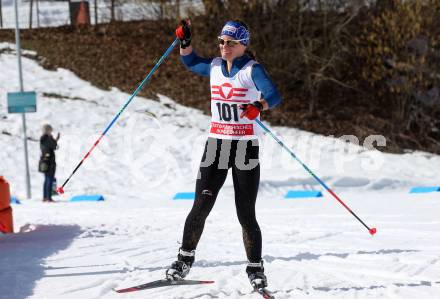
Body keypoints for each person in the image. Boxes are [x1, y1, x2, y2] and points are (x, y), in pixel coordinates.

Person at [165, 20, 282, 290]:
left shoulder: (253, 70)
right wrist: (185, 41)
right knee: (200, 206)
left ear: (243, 45)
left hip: (244, 147)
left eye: (231, 43)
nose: (224, 47)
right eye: (221, 42)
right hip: (216, 145)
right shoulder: (216, 66)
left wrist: (259, 104)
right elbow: (191, 62)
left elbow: (275, 95)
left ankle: (255, 269)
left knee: (246, 214)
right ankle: (184, 260)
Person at [39, 124, 60, 203]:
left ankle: (45, 197)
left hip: (44, 161)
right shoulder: (47, 138)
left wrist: (54, 140)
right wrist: (55, 140)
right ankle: (48, 198)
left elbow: (52, 146)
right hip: (49, 162)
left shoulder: (43, 138)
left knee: (47, 179)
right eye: (50, 130)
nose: (51, 132)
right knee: (49, 179)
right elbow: (54, 146)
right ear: (48, 130)